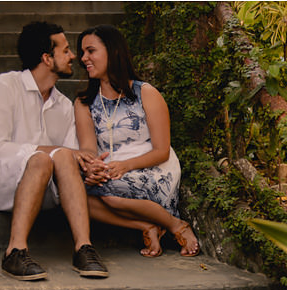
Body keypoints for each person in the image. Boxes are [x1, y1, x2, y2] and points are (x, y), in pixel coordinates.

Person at [0, 21, 109, 280]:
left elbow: (71, 158)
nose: (74, 56)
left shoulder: (64, 106)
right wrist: (48, 152)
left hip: (44, 188)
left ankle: (84, 248)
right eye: (66, 50)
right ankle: (15, 251)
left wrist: (90, 168)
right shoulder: (4, 86)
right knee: (43, 159)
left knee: (62, 156)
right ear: (47, 58)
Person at [74, 24, 199, 258]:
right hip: (111, 172)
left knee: (108, 193)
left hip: (153, 169)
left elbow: (162, 151)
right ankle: (146, 226)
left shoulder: (146, 93)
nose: (84, 58)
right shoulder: (83, 102)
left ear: (113, 52)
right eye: (82, 52)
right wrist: (93, 166)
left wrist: (125, 165)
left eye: (91, 51)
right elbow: (89, 148)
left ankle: (175, 225)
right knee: (71, 194)